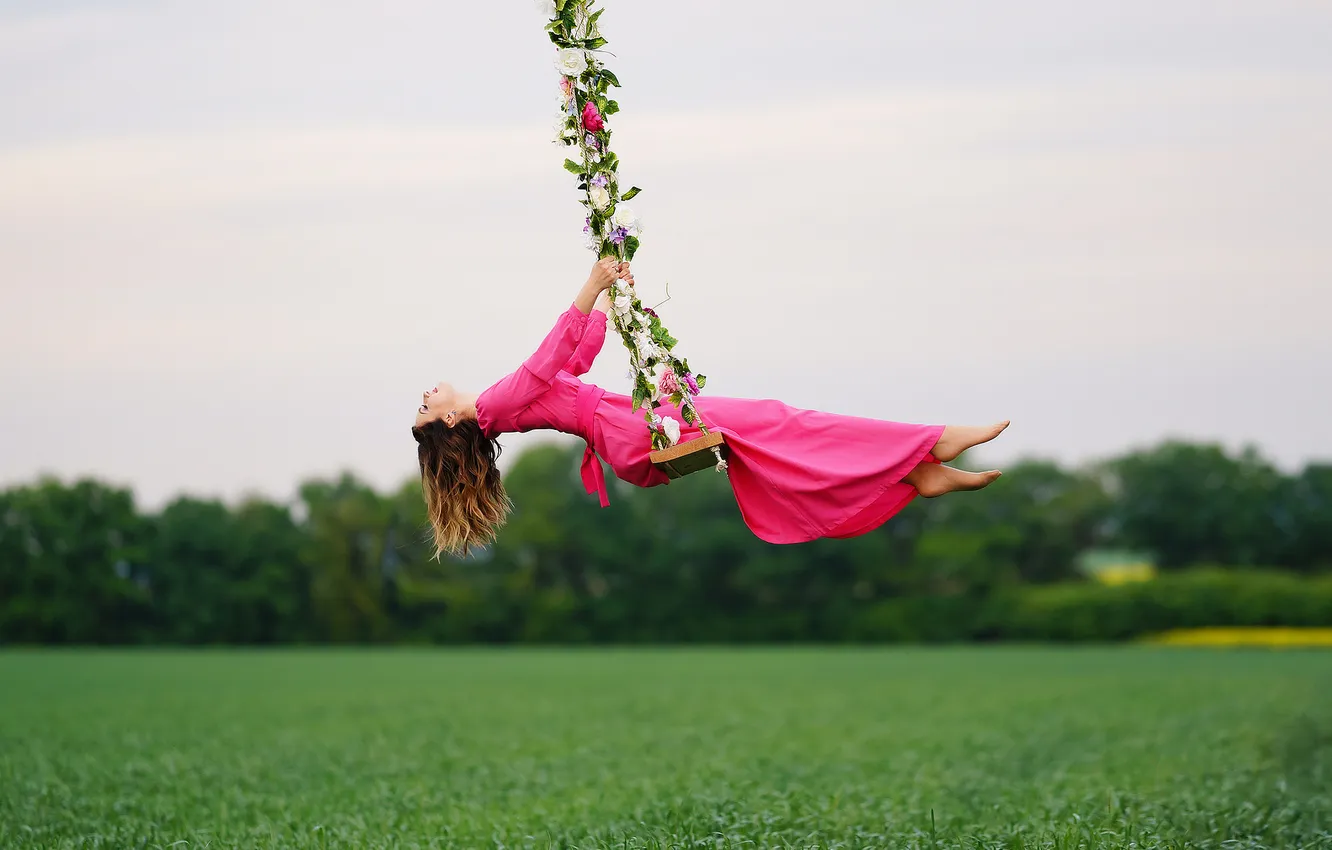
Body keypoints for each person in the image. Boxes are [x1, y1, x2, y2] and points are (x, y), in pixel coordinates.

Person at [412, 258, 1007, 558]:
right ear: (450, 421)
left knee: (775, 437)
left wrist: (607, 303)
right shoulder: (492, 405)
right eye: (424, 407)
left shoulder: (498, 403)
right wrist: (590, 287)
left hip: (628, 427)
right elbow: (546, 361)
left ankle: (918, 470)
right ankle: (931, 441)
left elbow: (574, 362)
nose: (426, 394)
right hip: (629, 430)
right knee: (780, 423)